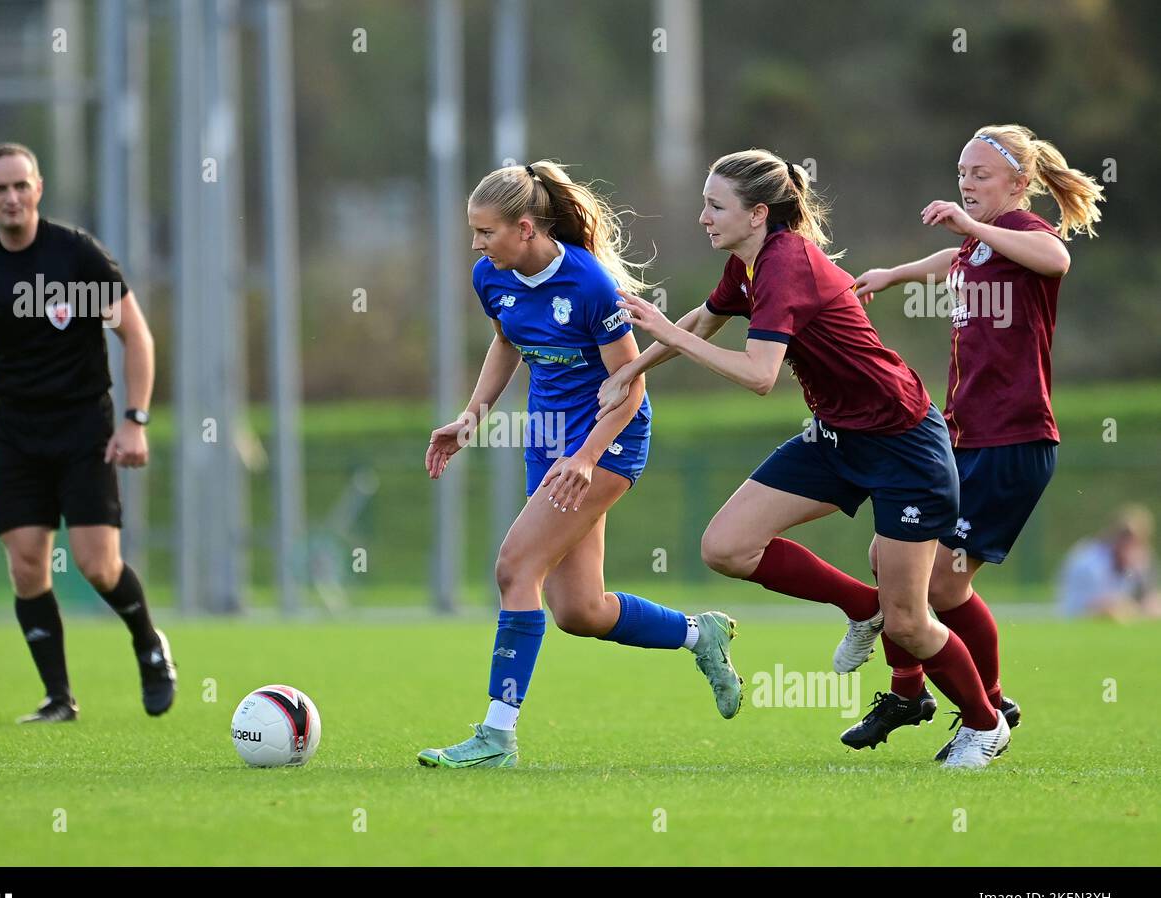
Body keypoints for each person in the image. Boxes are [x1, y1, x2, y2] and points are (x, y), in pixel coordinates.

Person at [600, 149, 1007, 768]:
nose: (702, 216)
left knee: (910, 624)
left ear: (758, 213)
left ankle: (984, 725)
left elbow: (760, 375)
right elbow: (705, 322)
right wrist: (633, 369)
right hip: (837, 437)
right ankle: (858, 604)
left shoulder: (785, 263)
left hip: (904, 447)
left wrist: (665, 333)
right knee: (727, 547)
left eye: (716, 206)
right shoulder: (748, 262)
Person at [417, 161, 742, 770]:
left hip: (606, 444)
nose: (477, 245)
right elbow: (507, 340)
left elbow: (632, 389)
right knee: (580, 612)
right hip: (546, 443)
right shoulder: (492, 276)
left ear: (524, 227)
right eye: (473, 233)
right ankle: (703, 636)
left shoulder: (590, 285)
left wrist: (587, 458)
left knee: (516, 568)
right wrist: (473, 416)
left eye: (486, 232)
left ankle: (496, 736)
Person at [840, 124, 1104, 757]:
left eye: (980, 174)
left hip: (1012, 441)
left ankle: (986, 710)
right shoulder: (980, 249)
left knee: (942, 588)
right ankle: (921, 693)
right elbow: (956, 261)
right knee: (888, 557)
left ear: (1020, 183)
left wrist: (972, 226)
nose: (966, 182)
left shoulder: (1028, 238)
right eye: (962, 172)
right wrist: (895, 273)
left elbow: (1056, 258)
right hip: (962, 439)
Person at [0, 142, 176, 723]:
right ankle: (59, 698)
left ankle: (149, 644)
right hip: (16, 434)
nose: (12, 197)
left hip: (83, 431)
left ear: (39, 188)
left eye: (21, 185)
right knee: (25, 565)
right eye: (0, 189)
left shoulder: (78, 257)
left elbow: (136, 338)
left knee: (98, 566)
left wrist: (135, 421)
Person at [1060, 505, 1160, 619]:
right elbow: (1098, 606)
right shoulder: (1090, 561)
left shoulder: (1139, 559)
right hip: (1078, 618)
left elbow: (1149, 598)